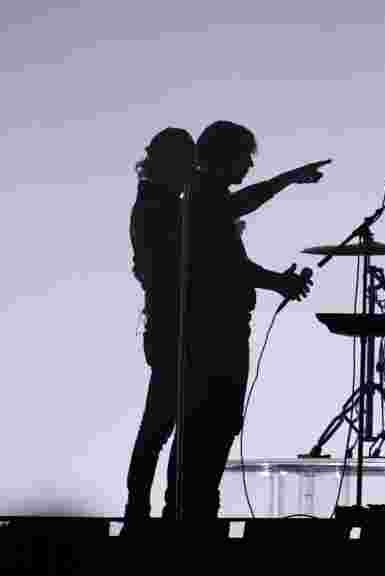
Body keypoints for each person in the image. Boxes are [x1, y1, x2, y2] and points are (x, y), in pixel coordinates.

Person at [124, 121, 328, 527]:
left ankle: (166, 515)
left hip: (188, 331)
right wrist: (286, 181)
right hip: (190, 334)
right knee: (181, 428)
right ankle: (168, 517)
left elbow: (225, 248)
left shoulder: (177, 202)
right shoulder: (173, 205)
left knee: (176, 428)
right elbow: (223, 261)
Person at [124, 127, 196, 529]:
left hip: (165, 325)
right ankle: (149, 512)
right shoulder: (161, 206)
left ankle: (147, 509)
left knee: (162, 424)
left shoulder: (156, 202)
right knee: (162, 425)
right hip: (174, 328)